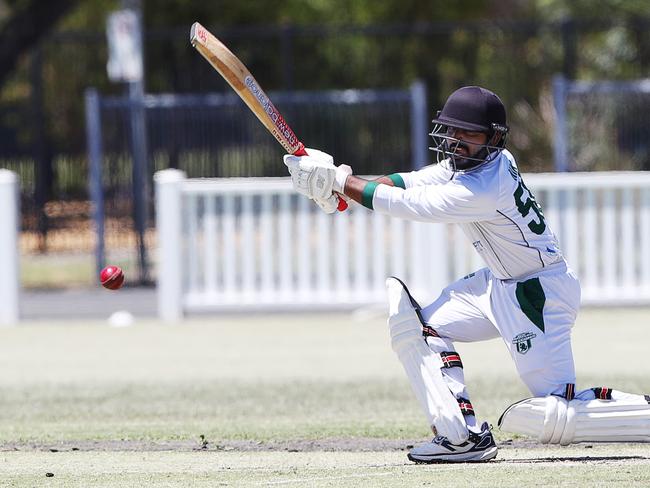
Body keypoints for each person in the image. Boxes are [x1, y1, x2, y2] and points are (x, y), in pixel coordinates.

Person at [283, 86, 650, 463]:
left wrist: (338, 182)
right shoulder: (480, 160)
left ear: (493, 137)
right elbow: (411, 181)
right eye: (451, 131)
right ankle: (461, 437)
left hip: (537, 296)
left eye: (467, 134)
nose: (456, 141)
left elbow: (408, 204)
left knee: (556, 411)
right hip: (497, 284)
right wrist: (341, 178)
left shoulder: (482, 188)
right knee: (421, 329)